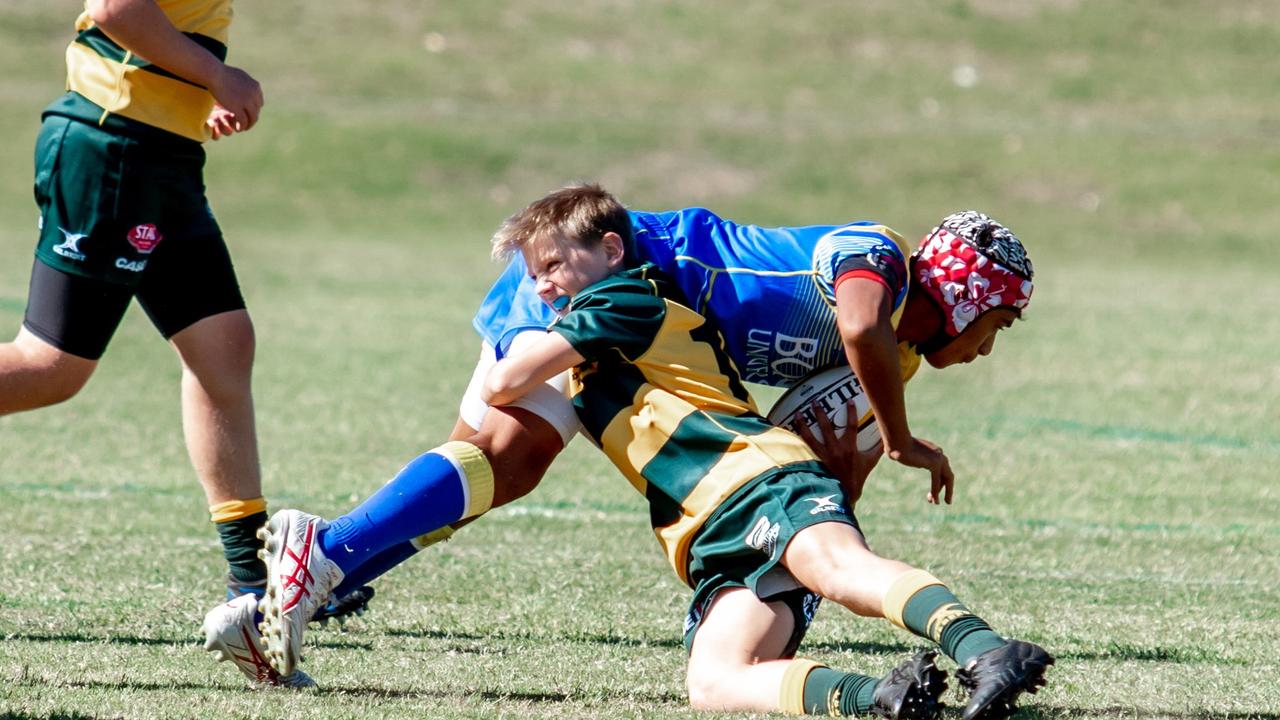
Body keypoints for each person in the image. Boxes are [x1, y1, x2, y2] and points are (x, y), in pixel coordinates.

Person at [257, 186, 1052, 719]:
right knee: (509, 452)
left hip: (656, 358)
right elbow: (860, 326)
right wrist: (905, 437)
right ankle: (323, 560)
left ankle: (315, 575)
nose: (989, 348)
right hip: (592, 273)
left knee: (513, 466)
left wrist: (777, 584)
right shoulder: (876, 258)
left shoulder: (890, 368)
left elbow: (829, 467)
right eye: (998, 324)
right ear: (967, 292)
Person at [0, 0, 307, 688]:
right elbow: (116, 7)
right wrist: (215, 76)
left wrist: (195, 97)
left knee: (223, 345)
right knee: (49, 367)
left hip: (161, 154)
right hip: (114, 149)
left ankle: (250, 585)